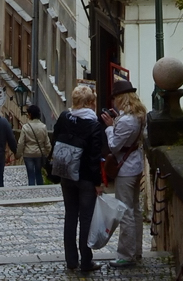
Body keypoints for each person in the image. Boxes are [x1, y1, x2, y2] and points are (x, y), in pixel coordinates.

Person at [51, 84, 105, 273]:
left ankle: (71, 260)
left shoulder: (65, 117)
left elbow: (55, 138)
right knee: (86, 219)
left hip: (66, 173)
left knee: (70, 216)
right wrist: (98, 183)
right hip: (86, 178)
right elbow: (94, 157)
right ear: (91, 103)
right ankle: (86, 261)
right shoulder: (94, 124)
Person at [101, 79, 147, 270]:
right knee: (135, 210)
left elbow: (114, 145)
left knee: (125, 211)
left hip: (125, 169)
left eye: (115, 98)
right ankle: (136, 250)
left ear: (121, 99)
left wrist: (110, 127)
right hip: (136, 165)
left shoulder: (126, 120)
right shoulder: (140, 116)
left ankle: (126, 255)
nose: (113, 102)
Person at [15, 104, 51, 186]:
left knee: (30, 174)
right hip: (39, 154)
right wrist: (49, 153)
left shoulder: (25, 127)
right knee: (38, 172)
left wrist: (18, 154)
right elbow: (47, 142)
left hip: (28, 154)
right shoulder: (43, 127)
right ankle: (40, 188)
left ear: (30, 114)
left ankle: (31, 189)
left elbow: (21, 143)